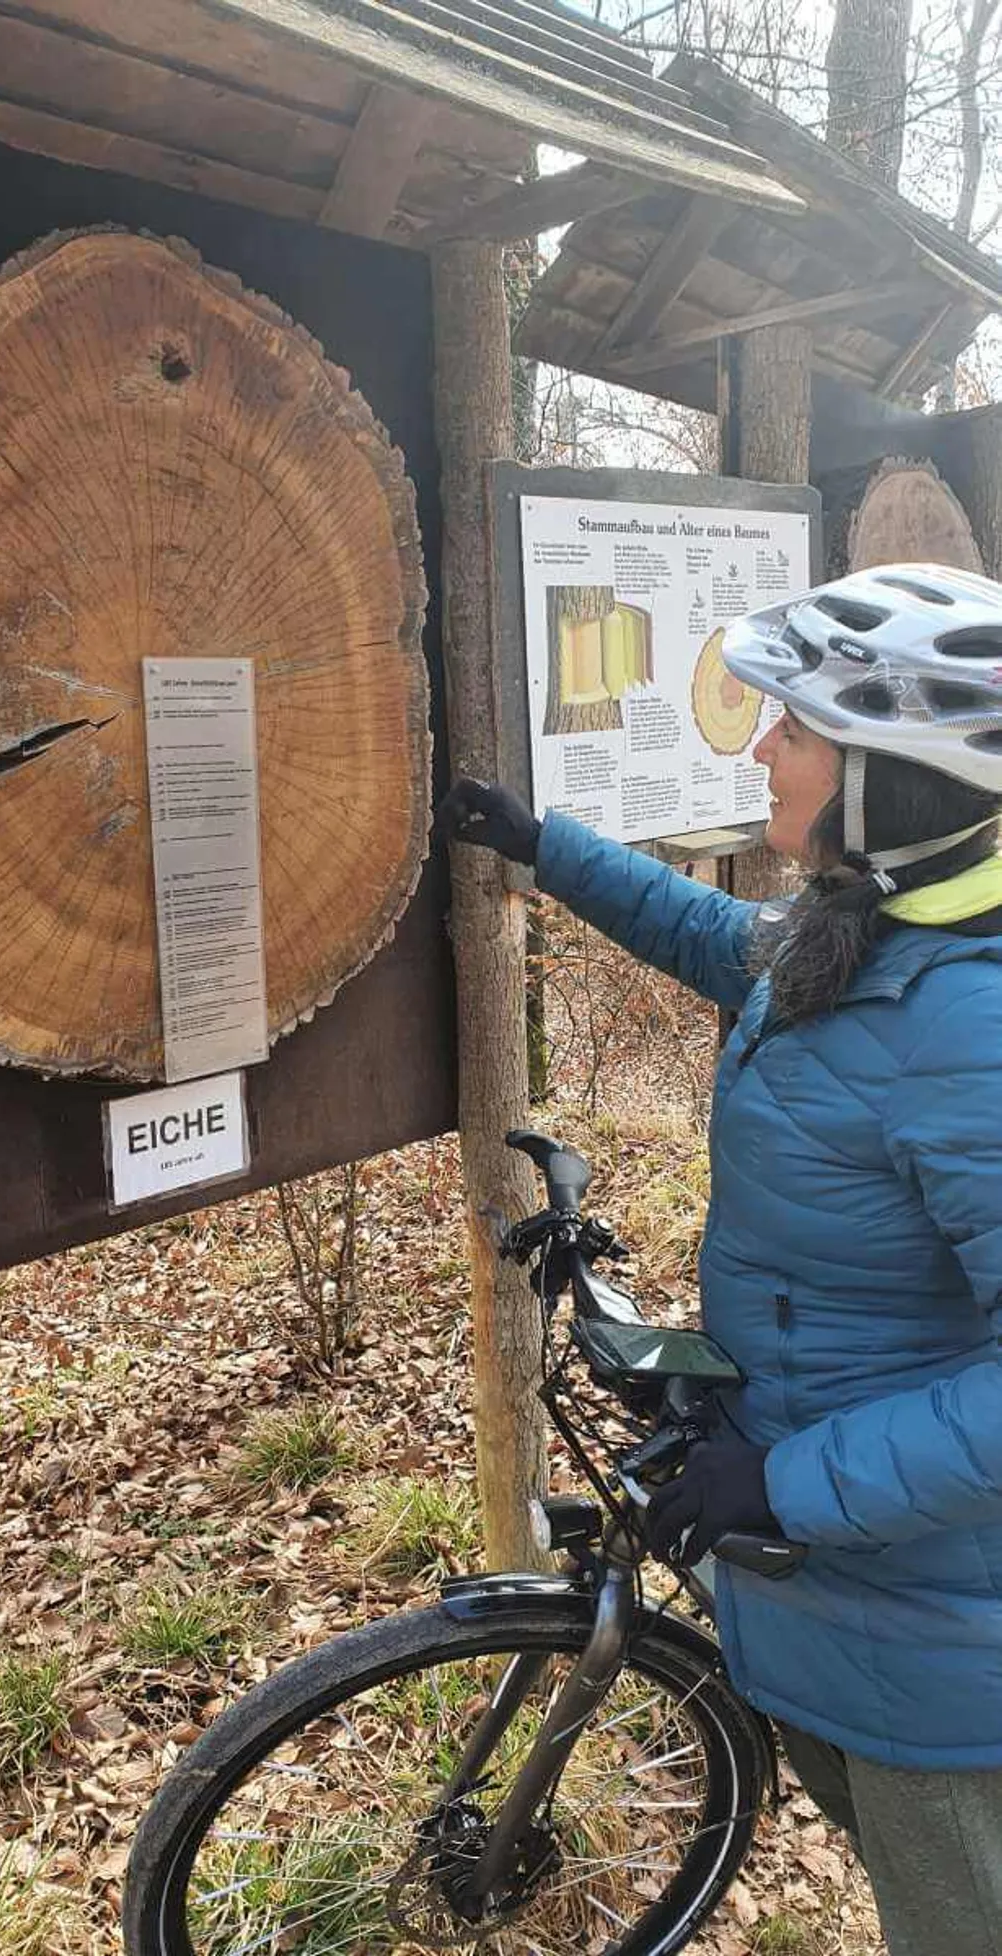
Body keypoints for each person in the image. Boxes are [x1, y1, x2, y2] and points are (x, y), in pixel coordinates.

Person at [437, 562, 1002, 1956]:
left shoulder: (975, 1032)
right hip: (846, 1574)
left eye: (794, 732)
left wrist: (786, 1483)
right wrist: (541, 841)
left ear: (891, 781)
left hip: (943, 1629)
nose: (760, 751)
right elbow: (718, 938)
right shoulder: (876, 936)